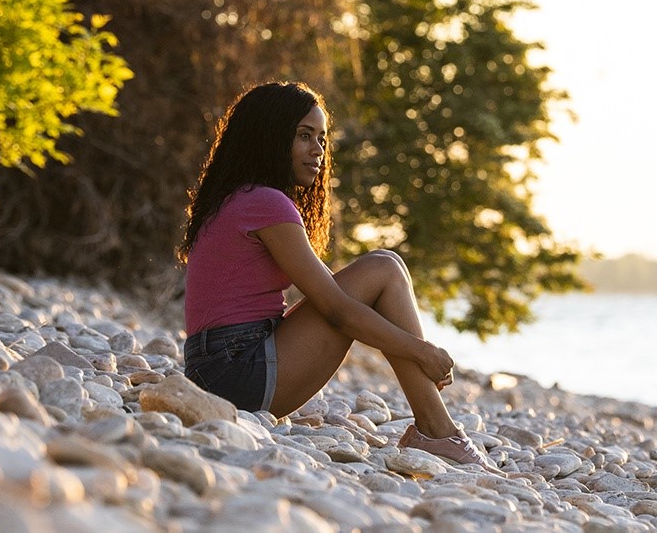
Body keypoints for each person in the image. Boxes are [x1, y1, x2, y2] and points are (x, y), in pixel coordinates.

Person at [177, 81, 495, 469]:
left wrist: (415, 348)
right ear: (269, 136)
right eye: (304, 136)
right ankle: (437, 430)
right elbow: (338, 311)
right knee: (385, 268)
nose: (318, 150)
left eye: (322, 139)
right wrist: (421, 351)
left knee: (386, 265)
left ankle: (436, 429)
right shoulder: (265, 203)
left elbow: (335, 293)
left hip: (217, 369)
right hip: (234, 375)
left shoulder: (241, 198)